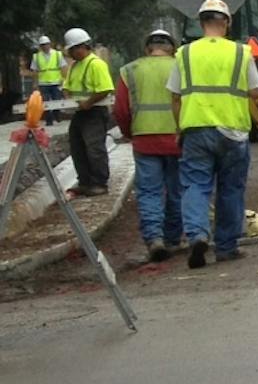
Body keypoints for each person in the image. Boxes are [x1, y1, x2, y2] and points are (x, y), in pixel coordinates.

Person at [170, 0, 258, 269]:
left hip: (196, 128)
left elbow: (174, 96)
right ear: (227, 23)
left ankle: (198, 234)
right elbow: (255, 91)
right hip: (233, 131)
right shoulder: (240, 53)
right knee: (231, 188)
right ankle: (226, 247)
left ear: (201, 24)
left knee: (195, 185)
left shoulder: (184, 53)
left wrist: (179, 128)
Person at [114, 26, 184, 260]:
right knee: (178, 190)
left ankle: (154, 238)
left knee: (149, 191)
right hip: (178, 138)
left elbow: (121, 109)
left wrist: (128, 132)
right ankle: (173, 238)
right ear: (172, 48)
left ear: (147, 48)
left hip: (144, 139)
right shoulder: (182, 66)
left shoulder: (129, 70)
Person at [59, 28, 114, 196]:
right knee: (77, 146)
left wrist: (88, 103)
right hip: (80, 112)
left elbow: (105, 89)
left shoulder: (96, 64)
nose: (71, 54)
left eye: (72, 50)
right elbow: (67, 86)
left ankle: (99, 183)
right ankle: (85, 181)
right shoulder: (75, 66)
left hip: (94, 112)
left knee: (94, 148)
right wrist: (69, 99)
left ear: (81, 47)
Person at [31, 35, 65, 103]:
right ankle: (47, 114)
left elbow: (63, 68)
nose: (45, 46)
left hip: (56, 83)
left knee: (57, 102)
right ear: (40, 46)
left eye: (46, 44)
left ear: (49, 44)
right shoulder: (36, 56)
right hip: (43, 84)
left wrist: (63, 80)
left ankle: (56, 114)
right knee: (44, 104)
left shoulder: (58, 54)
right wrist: (35, 83)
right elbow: (34, 71)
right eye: (42, 45)